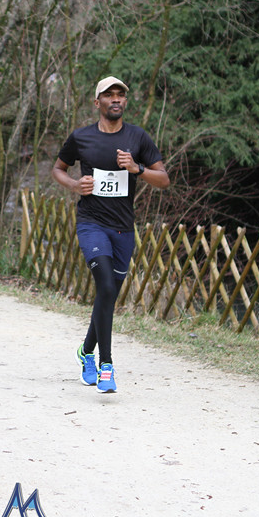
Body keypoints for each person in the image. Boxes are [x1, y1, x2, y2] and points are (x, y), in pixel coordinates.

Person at [51, 76, 170, 393]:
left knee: (108, 295)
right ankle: (106, 366)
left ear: (125, 102)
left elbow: (163, 179)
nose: (115, 99)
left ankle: (85, 351)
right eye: (109, 95)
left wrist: (137, 169)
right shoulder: (81, 137)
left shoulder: (137, 137)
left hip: (123, 229)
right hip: (91, 224)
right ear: (97, 102)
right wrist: (75, 185)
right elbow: (58, 169)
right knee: (104, 285)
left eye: (120, 95)